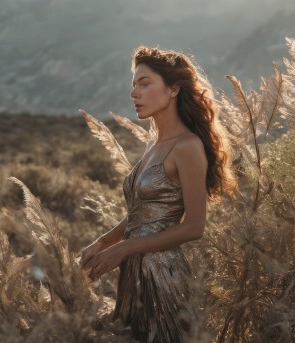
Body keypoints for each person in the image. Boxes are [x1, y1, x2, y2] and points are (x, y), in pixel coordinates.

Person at [79, 46, 237, 342]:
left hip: (163, 274)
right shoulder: (154, 145)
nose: (134, 93)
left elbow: (194, 227)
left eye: (144, 83)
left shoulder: (188, 146)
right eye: (133, 84)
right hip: (133, 271)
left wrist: (124, 248)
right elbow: (142, 216)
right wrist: (102, 243)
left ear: (174, 88)